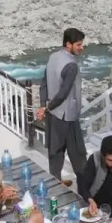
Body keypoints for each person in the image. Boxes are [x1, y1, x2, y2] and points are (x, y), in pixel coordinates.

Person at [37, 28, 87, 184]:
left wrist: (43, 106)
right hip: (67, 116)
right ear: (68, 44)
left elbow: (44, 83)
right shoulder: (71, 65)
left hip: (53, 115)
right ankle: (85, 188)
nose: (81, 47)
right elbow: (63, 94)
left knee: (55, 151)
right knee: (78, 153)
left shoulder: (53, 57)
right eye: (78, 44)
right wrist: (47, 108)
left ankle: (56, 182)